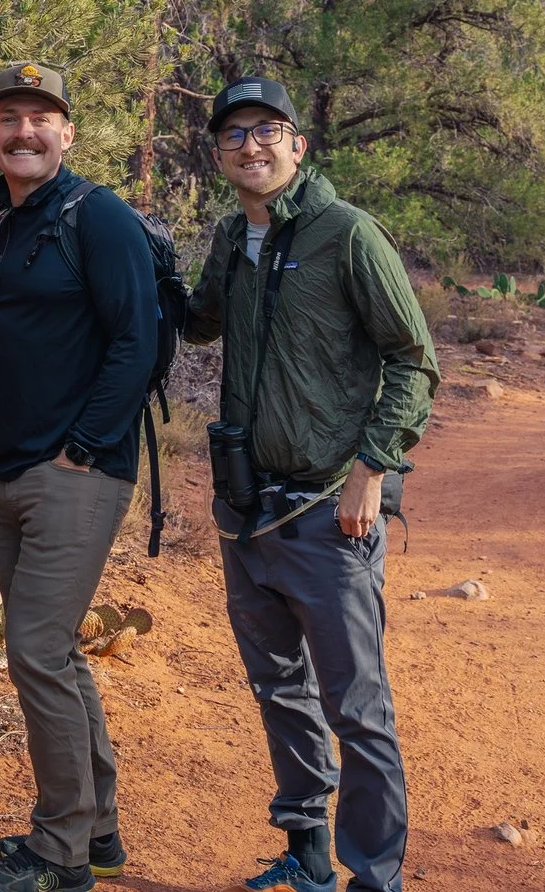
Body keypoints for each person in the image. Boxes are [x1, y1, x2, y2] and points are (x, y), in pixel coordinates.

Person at [185, 77, 439, 892]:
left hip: (331, 509)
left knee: (357, 708)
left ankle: (374, 878)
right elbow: (199, 321)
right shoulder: (232, 237)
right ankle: (307, 856)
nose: (251, 146)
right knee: (278, 686)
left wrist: (373, 467)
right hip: (247, 510)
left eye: (267, 131)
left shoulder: (347, 234)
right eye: (234, 135)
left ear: (298, 143)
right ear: (219, 154)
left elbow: (413, 359)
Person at [0, 63, 160, 892]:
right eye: (10, 117)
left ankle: (59, 854)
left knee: (36, 650)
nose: (25, 132)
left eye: (41, 118)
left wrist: (83, 444)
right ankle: (100, 829)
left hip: (78, 471)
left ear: (67, 133)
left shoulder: (99, 215)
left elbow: (138, 339)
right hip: (11, 465)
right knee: (62, 654)